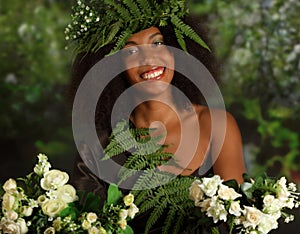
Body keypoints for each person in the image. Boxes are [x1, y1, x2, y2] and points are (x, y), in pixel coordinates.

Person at [67, 0, 246, 232]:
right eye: (130, 50)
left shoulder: (216, 125)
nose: (148, 59)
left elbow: (236, 220)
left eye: (157, 43)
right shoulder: (98, 143)